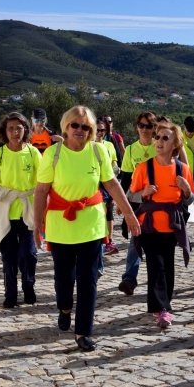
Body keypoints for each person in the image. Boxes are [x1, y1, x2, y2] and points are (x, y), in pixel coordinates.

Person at [33, 106, 140, 352]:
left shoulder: (98, 150)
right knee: (63, 279)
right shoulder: (53, 153)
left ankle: (83, 332)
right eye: (75, 125)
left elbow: (111, 184)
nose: (80, 130)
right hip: (61, 225)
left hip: (91, 225)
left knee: (88, 280)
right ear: (66, 127)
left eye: (86, 127)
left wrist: (129, 213)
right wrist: (36, 224)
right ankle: (64, 308)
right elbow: (41, 190)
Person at [128, 122, 194, 328]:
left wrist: (185, 191)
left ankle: (162, 305)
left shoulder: (183, 169)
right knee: (155, 266)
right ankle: (163, 309)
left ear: (175, 144)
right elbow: (131, 196)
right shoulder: (143, 168)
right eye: (158, 137)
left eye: (165, 138)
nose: (159, 141)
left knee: (167, 266)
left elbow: (190, 200)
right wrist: (143, 193)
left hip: (172, 226)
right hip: (148, 226)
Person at [0, 112, 41, 308]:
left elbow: (42, 186)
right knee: (8, 255)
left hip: (27, 211)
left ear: (25, 130)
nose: (15, 132)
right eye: (11, 128)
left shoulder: (33, 154)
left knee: (28, 254)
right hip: (5, 211)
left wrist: (43, 212)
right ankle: (10, 295)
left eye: (19, 128)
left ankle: (28, 284)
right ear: (4, 132)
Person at [117, 112, 158, 295]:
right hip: (137, 202)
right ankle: (129, 279)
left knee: (154, 245)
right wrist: (122, 202)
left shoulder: (160, 146)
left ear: (154, 128)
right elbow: (125, 179)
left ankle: (156, 282)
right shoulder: (132, 150)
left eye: (148, 126)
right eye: (141, 125)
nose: (144, 129)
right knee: (136, 241)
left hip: (158, 202)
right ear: (136, 127)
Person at [95, 117, 120, 256]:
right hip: (94, 184)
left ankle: (109, 241)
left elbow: (114, 163)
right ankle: (98, 240)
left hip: (108, 183)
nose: (100, 133)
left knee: (109, 213)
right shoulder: (88, 146)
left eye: (103, 130)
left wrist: (116, 169)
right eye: (97, 130)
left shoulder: (109, 145)